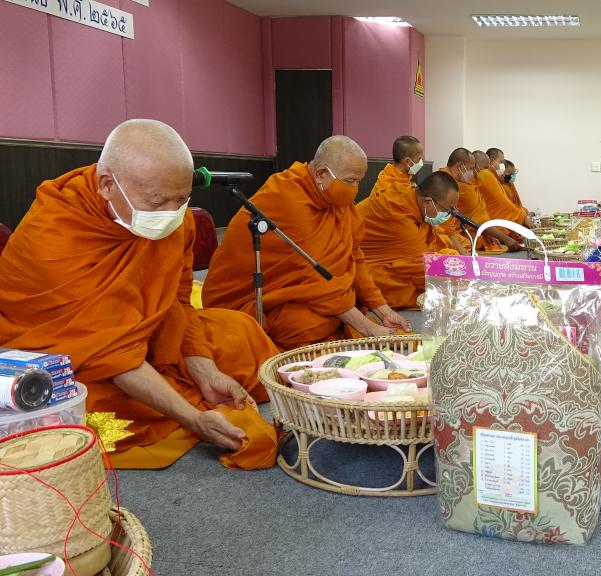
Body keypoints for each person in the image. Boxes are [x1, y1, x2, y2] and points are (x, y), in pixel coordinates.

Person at [0, 119, 278, 470]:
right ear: (107, 185)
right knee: (80, 405)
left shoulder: (176, 221)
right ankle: (179, 404)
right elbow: (110, 353)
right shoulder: (53, 234)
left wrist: (205, 370)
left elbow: (178, 300)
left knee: (241, 331)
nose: (171, 214)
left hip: (145, 332)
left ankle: (181, 389)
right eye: (157, 201)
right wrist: (193, 418)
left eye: (182, 199)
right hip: (73, 355)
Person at [202, 135, 410, 351]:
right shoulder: (289, 199)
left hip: (305, 289)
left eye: (359, 180)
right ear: (321, 174)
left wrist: (383, 311)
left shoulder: (335, 198)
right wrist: (369, 328)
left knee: (347, 303)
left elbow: (354, 256)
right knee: (302, 325)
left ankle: (339, 315)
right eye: (350, 181)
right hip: (248, 298)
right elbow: (316, 278)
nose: (355, 189)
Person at [357, 170, 462, 308]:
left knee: (449, 253)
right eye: (446, 210)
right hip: (363, 262)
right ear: (427, 202)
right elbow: (419, 265)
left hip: (399, 251)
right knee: (445, 272)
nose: (448, 215)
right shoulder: (397, 214)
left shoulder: (411, 196)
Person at [437, 147, 521, 253]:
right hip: (450, 233)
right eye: (472, 168)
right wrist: (505, 239)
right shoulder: (444, 183)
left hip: (471, 231)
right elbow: (446, 224)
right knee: (463, 246)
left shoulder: (464, 183)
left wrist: (487, 233)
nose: (475, 173)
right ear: (461, 166)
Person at [475, 149, 530, 228]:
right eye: (501, 162)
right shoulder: (486, 175)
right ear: (491, 161)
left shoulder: (496, 179)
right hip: (494, 224)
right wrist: (523, 215)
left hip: (497, 223)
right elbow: (503, 206)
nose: (502, 166)